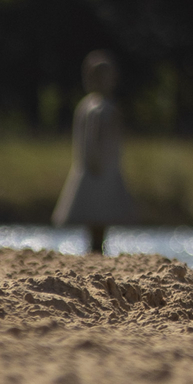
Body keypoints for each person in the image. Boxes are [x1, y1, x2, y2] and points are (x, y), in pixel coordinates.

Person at [51, 50, 137, 255]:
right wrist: (95, 161)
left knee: (97, 217)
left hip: (96, 168)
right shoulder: (99, 108)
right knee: (98, 214)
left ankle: (96, 249)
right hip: (98, 170)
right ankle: (96, 249)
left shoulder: (87, 106)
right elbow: (93, 139)